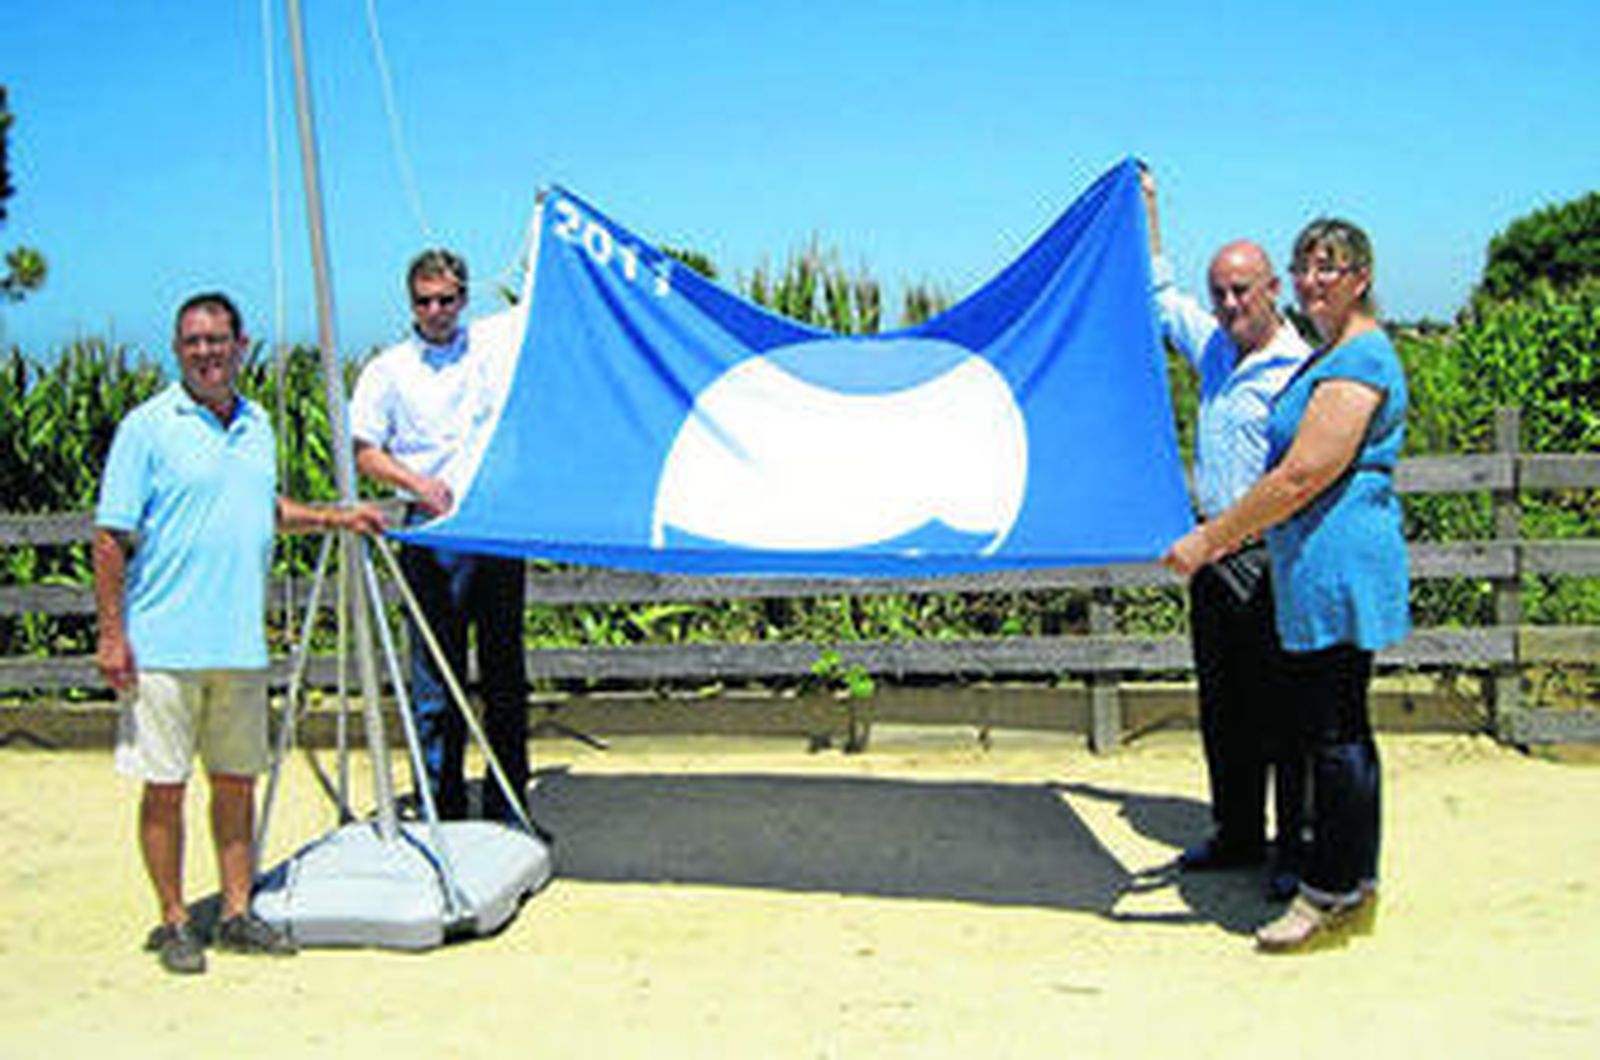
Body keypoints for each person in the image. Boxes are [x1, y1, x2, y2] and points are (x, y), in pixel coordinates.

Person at [95, 292, 385, 975]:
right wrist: (113, 635)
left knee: (236, 784)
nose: (205, 352)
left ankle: (234, 911)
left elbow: (263, 507)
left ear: (240, 344)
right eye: (192, 342)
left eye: (217, 340)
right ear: (177, 350)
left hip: (239, 647)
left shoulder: (257, 425)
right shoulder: (147, 427)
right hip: (162, 646)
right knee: (164, 788)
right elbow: (110, 537)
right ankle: (172, 921)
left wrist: (334, 519)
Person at [1163, 217, 1409, 952]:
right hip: (1315, 566)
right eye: (1305, 267)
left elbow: (1302, 474)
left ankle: (1324, 891)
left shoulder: (1356, 361)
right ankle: (1347, 883)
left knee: (1328, 735)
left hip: (1330, 564)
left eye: (1326, 269)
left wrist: (1210, 537)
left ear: (1360, 278)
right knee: (1335, 731)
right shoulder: (1335, 355)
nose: (1312, 281)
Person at [1141, 167, 1312, 899]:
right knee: (1225, 705)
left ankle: (1295, 850)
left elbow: (1301, 477)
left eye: (1243, 289)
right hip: (1213, 554)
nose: (1231, 303)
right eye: (1221, 292)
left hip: (1272, 556)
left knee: (1284, 711)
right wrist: (1147, 207)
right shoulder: (1212, 346)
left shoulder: (1299, 368)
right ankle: (1238, 831)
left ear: (1272, 288)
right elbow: (1155, 299)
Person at [350, 248, 529, 824]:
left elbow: (542, 315)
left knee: (504, 674)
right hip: (430, 532)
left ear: (464, 298)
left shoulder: (493, 350)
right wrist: (415, 483)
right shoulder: (387, 369)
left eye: (446, 299)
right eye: (425, 301)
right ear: (411, 303)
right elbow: (364, 452)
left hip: (495, 528)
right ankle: (442, 809)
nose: (436, 310)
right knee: (435, 677)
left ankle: (508, 808)